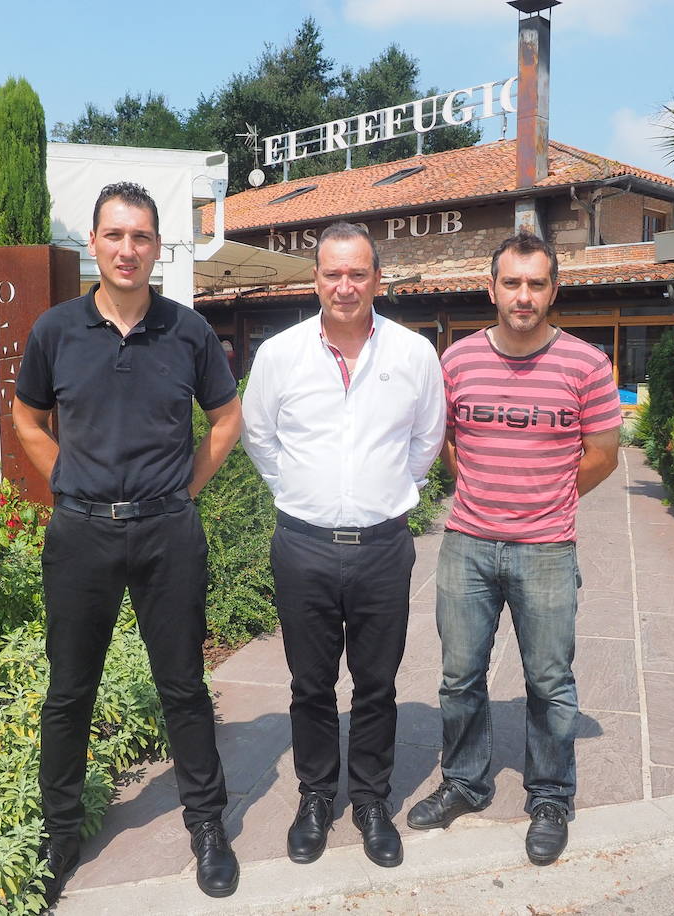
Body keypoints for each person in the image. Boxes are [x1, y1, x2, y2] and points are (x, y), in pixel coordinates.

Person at [12, 182, 244, 903]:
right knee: (69, 691)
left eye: (141, 237)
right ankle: (61, 834)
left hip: (167, 533)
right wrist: (72, 485)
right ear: (94, 242)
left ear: (155, 247)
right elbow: (26, 420)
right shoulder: (55, 331)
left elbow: (226, 420)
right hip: (81, 534)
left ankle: (207, 825)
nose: (128, 249)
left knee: (183, 686)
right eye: (115, 235)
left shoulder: (188, 331)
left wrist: (182, 493)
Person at [407, 231, 621, 867]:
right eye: (511, 283)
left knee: (550, 681)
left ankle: (551, 796)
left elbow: (604, 455)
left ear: (554, 289)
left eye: (535, 283)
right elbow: (440, 440)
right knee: (458, 676)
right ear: (491, 288)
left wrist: (548, 497)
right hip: (467, 545)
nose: (523, 295)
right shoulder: (457, 361)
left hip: (547, 549)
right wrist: (475, 486)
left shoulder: (588, 364)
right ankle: (465, 782)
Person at [242, 222, 445, 870]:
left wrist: (391, 494)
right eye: (333, 273)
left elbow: (427, 442)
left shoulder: (414, 355)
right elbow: (259, 438)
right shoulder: (279, 355)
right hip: (302, 545)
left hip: (384, 548)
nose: (345, 285)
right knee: (309, 684)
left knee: (377, 685)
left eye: (358, 273)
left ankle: (370, 802)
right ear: (316, 281)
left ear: (377, 280)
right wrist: (301, 493)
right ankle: (313, 799)